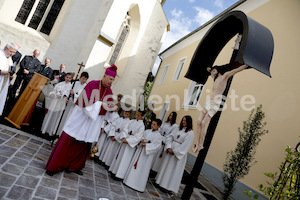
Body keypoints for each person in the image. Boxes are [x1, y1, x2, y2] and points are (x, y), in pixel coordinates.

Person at [45, 64, 117, 176]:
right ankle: (54, 166)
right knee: (69, 140)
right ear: (105, 76)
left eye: (113, 80)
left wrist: (111, 107)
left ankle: (74, 166)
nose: (111, 81)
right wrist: (100, 104)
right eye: (110, 79)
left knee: (84, 144)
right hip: (81, 118)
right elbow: (84, 100)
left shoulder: (109, 91)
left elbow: (107, 107)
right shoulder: (92, 84)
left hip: (93, 122)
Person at [193, 64, 248, 152]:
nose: (212, 73)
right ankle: (196, 143)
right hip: (209, 100)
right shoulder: (214, 78)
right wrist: (210, 69)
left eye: (214, 72)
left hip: (216, 102)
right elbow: (209, 70)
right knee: (198, 121)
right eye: (212, 72)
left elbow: (236, 70)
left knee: (203, 123)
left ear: (218, 70)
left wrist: (246, 65)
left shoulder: (224, 76)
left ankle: (200, 145)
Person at [155, 115, 194, 194]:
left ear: (189, 122)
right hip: (170, 151)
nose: (183, 122)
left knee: (172, 171)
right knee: (165, 167)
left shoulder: (190, 133)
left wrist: (175, 151)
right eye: (183, 120)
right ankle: (159, 182)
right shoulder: (178, 128)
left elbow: (186, 145)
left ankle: (167, 187)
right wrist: (169, 147)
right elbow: (170, 137)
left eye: (185, 121)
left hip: (177, 155)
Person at [123, 118, 162, 192]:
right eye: (152, 123)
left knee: (142, 169)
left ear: (158, 126)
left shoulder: (159, 136)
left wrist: (147, 146)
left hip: (147, 156)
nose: (152, 125)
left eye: (154, 124)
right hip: (140, 152)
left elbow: (157, 146)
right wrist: (142, 141)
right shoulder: (147, 131)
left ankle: (138, 185)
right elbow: (141, 137)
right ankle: (129, 181)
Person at [109, 109, 145, 180]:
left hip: (129, 145)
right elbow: (125, 129)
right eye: (136, 114)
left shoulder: (142, 126)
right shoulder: (131, 121)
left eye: (138, 115)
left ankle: (119, 175)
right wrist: (124, 137)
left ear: (142, 116)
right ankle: (114, 171)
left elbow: (138, 137)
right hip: (125, 140)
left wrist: (128, 140)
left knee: (125, 159)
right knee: (119, 157)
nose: (136, 116)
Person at [55, 71, 89, 136]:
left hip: (76, 106)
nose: (84, 80)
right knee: (64, 118)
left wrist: (74, 94)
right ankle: (58, 133)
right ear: (80, 77)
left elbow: (83, 96)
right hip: (70, 103)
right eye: (83, 78)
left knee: (69, 120)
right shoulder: (74, 83)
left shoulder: (86, 87)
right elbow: (67, 90)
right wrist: (67, 96)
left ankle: (64, 135)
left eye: (86, 79)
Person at [41, 73, 73, 137]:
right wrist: (52, 94)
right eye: (67, 77)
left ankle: (52, 131)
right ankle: (45, 130)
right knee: (50, 114)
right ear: (64, 77)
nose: (68, 79)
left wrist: (62, 95)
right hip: (54, 101)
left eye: (69, 78)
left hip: (61, 103)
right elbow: (54, 90)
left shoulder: (71, 86)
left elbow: (67, 93)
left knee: (56, 117)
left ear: (71, 79)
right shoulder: (60, 84)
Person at [0, 43, 18, 116]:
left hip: (3, 82)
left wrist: (10, 75)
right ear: (5, 48)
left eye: (14, 52)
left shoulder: (9, 58)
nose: (12, 54)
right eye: (11, 51)